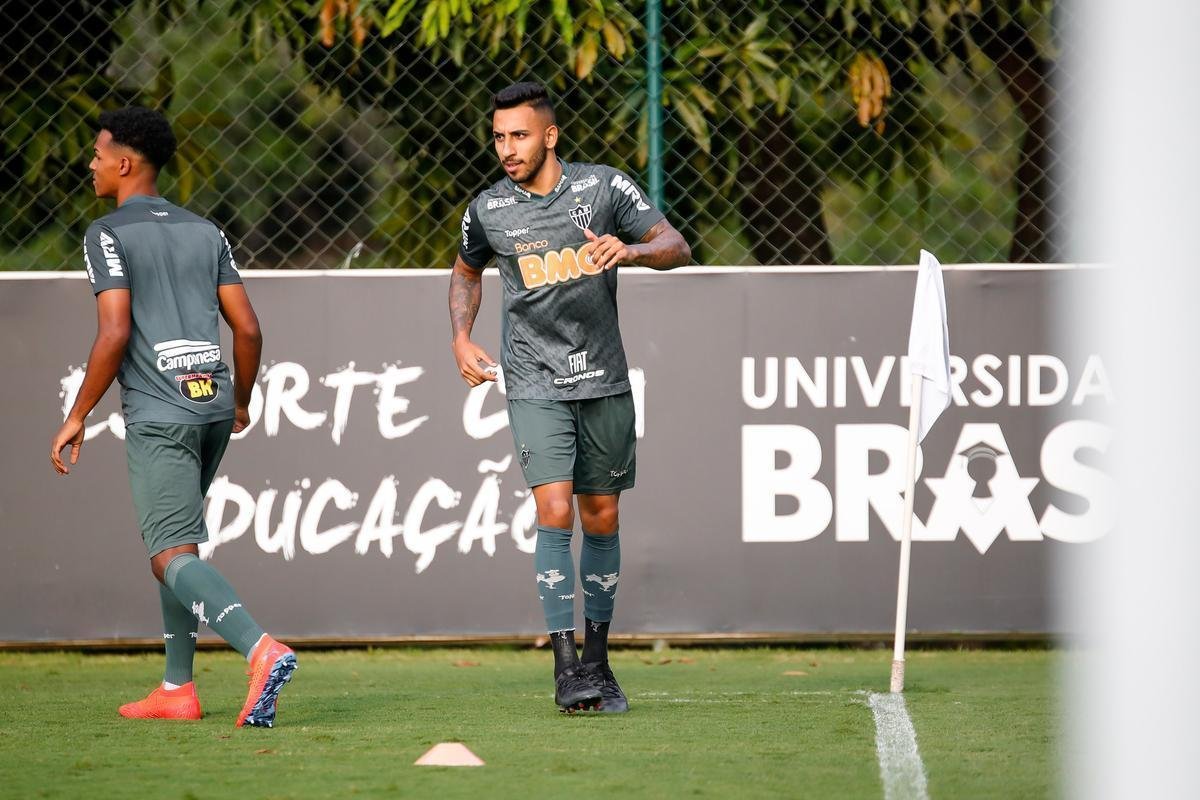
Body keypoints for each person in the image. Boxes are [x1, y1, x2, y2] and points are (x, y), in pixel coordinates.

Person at [448, 81, 691, 712]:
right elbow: (466, 269)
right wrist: (459, 336)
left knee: (601, 518)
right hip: (533, 379)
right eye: (499, 136)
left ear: (549, 135)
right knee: (554, 510)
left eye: (520, 135)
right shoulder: (488, 209)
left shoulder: (604, 188)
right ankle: (565, 668)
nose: (507, 148)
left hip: (603, 378)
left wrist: (631, 249)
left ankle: (599, 663)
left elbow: (676, 246)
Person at [49, 107, 296, 727]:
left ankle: (261, 649)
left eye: (99, 155)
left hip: (161, 413)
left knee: (166, 553)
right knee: (181, 543)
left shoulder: (106, 234)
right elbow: (248, 327)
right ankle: (177, 689)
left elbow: (114, 334)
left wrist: (77, 413)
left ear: (125, 164)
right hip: (213, 406)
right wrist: (239, 399)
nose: (92, 164)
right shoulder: (204, 230)